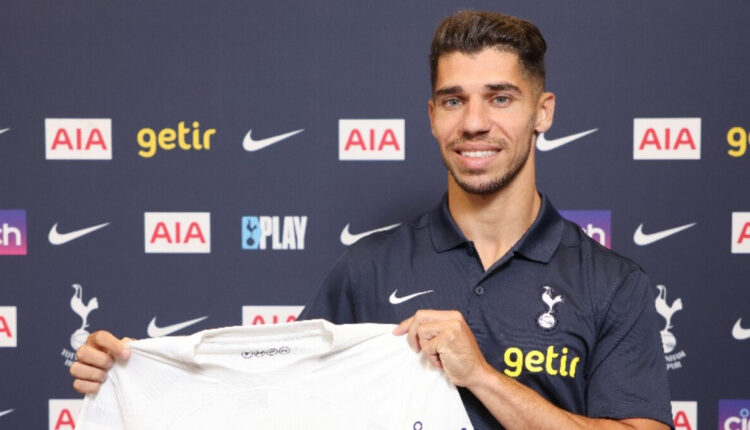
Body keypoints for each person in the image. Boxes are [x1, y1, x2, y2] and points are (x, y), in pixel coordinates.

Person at [70, 10, 673, 430]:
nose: (474, 123)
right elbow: (274, 401)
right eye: (454, 100)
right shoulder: (369, 268)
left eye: (500, 98)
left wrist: (482, 377)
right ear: (432, 116)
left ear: (543, 112)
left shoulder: (612, 283)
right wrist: (138, 375)